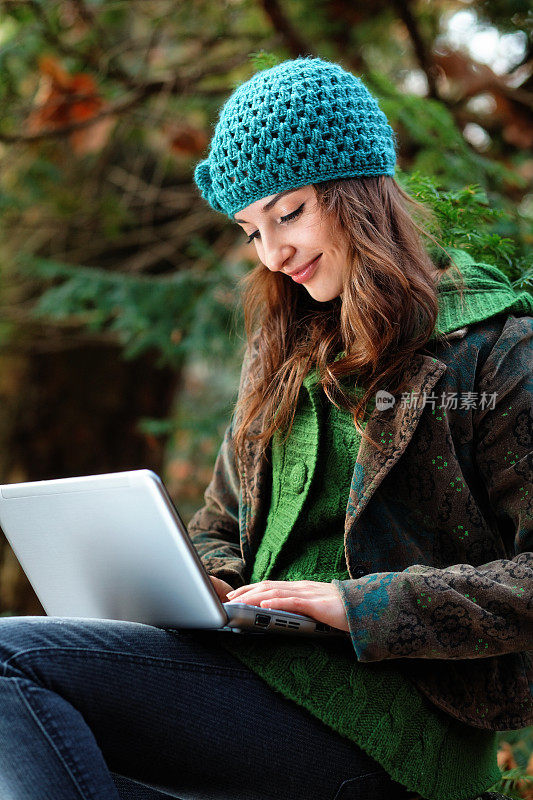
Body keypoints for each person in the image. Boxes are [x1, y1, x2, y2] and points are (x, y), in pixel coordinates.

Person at [0, 55, 530, 800]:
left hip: (396, 723)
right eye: (251, 230)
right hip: (262, 677)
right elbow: (220, 523)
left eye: (288, 213)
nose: (273, 254)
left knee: (6, 659)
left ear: (360, 193)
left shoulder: (495, 356)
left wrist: (356, 604)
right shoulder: (285, 353)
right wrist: (209, 584)